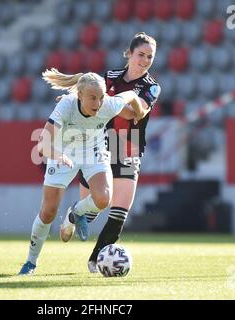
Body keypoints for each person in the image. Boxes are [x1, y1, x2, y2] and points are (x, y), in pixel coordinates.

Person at [18, 68, 149, 275]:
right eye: (92, 98)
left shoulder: (109, 104)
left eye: (100, 97)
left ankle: (75, 213)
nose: (97, 104)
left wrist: (139, 112)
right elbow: (43, 144)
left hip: (93, 152)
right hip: (62, 152)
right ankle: (31, 262)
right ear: (79, 95)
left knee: (104, 199)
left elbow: (131, 95)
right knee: (48, 212)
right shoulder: (66, 105)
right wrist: (59, 155)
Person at [59, 32, 161, 273]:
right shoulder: (110, 77)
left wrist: (107, 103)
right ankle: (73, 215)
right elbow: (88, 100)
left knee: (119, 213)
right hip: (100, 145)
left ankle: (95, 260)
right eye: (141, 55)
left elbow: (135, 114)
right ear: (129, 54)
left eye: (150, 56)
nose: (145, 60)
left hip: (129, 146)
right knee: (93, 210)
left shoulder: (152, 87)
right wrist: (71, 100)